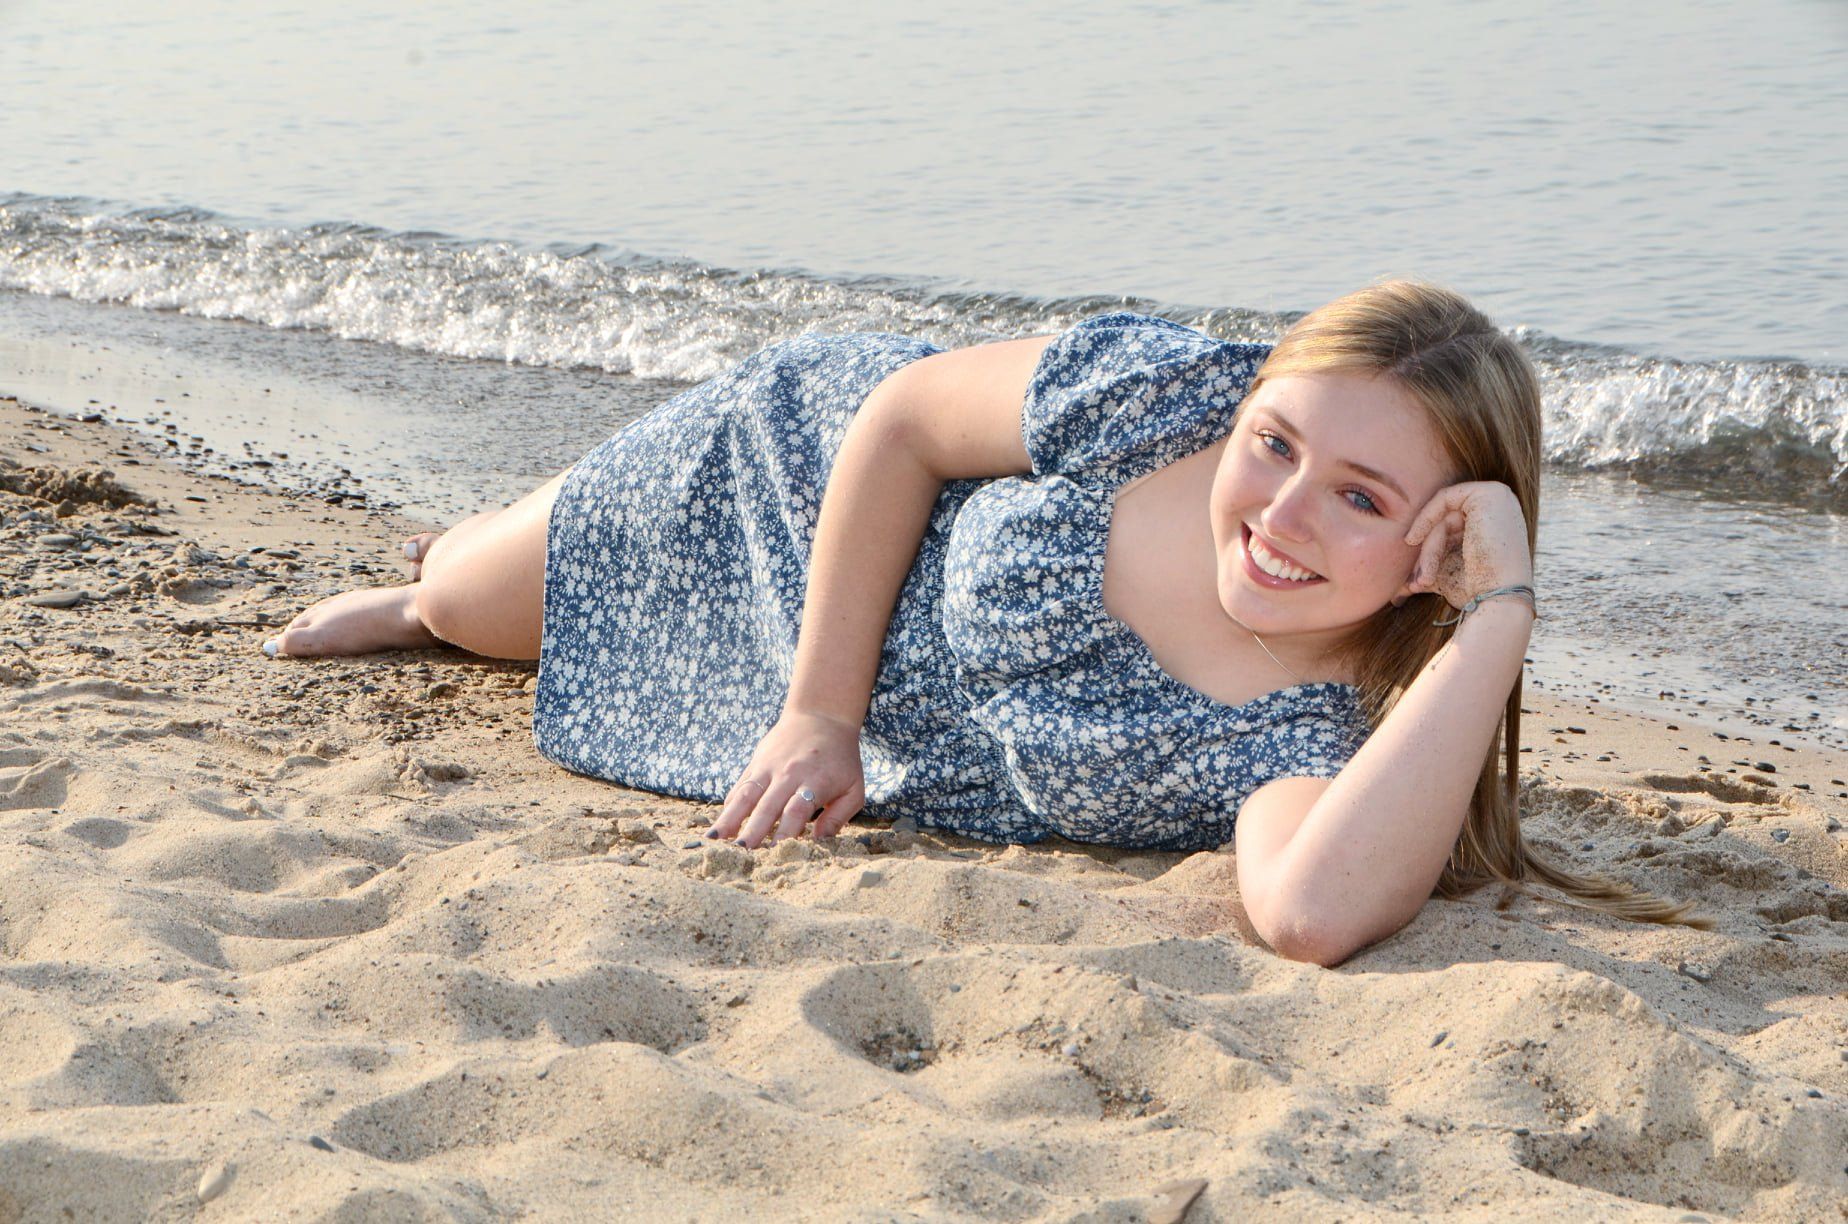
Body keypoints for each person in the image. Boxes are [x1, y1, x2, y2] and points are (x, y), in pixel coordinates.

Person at [264, 279, 1708, 965]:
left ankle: (495, 549)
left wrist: (1500, 616)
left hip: (822, 689)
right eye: (1276, 443)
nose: (1282, 515)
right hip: (805, 494)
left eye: (1361, 498)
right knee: (458, 603)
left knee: (492, 607)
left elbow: (1312, 913)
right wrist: (820, 714)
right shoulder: (1160, 397)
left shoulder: (1320, 736)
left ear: (1437, 543)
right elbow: (902, 419)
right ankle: (466, 552)